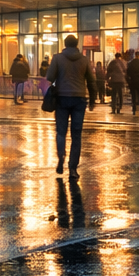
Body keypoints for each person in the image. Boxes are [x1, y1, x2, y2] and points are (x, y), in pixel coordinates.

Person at [46, 34, 92, 178]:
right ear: (77, 44)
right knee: (76, 134)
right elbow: (91, 80)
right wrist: (93, 99)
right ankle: (73, 168)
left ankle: (61, 156)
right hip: (79, 99)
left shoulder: (57, 58)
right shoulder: (84, 60)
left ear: (65, 44)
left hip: (62, 98)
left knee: (61, 132)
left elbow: (49, 77)